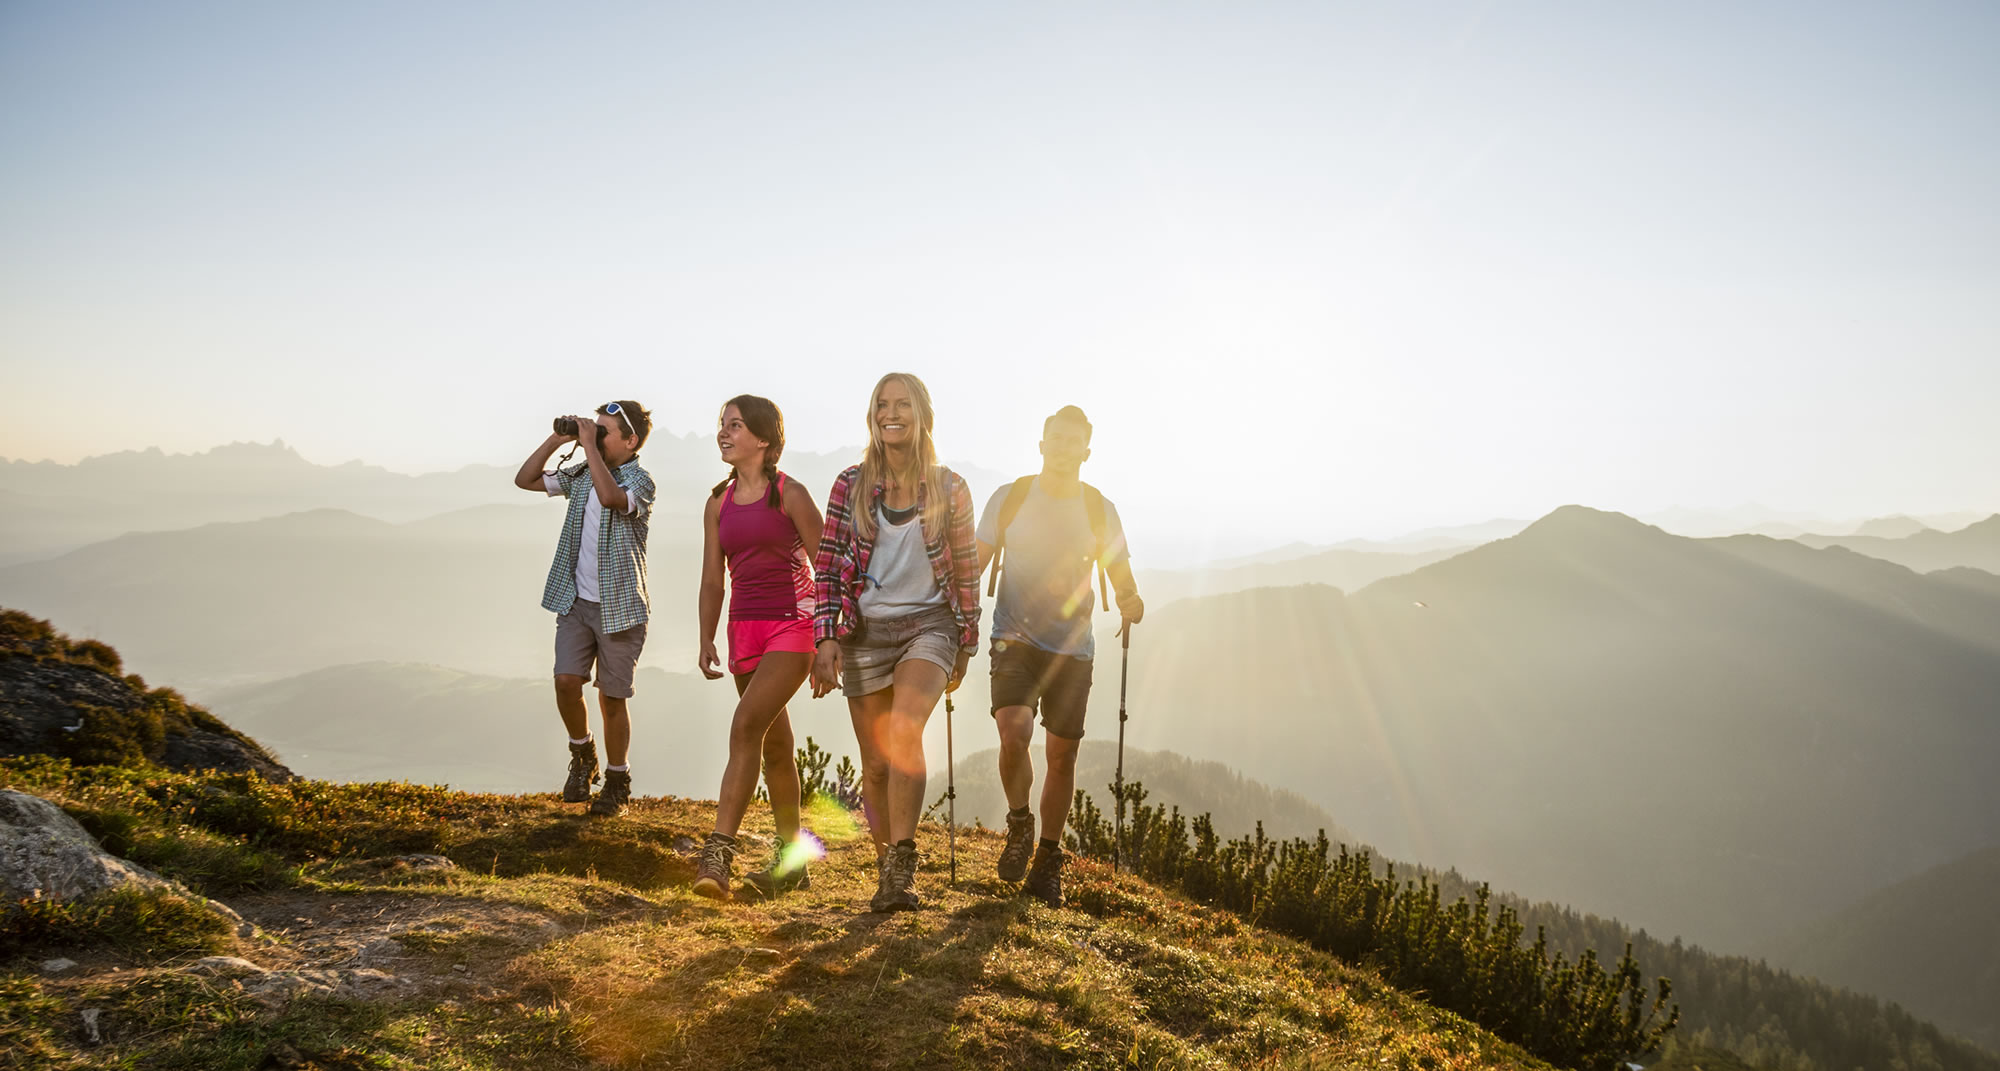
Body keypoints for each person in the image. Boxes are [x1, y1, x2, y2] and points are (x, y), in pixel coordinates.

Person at [809, 372, 980, 912]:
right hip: (864, 633)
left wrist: (966, 642)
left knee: (905, 730)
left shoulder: (950, 488)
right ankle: (887, 872)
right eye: (882, 404)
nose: (891, 413)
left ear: (922, 414)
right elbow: (829, 568)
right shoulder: (850, 485)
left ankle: (903, 866)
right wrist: (827, 637)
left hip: (930, 625)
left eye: (902, 404)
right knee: (877, 763)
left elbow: (968, 569)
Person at [976, 405, 1142, 907]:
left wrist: (1131, 599)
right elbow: (973, 564)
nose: (1064, 448)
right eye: (1057, 439)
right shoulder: (1010, 499)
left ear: (1086, 451)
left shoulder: (1099, 508)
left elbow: (1120, 572)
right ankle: (1020, 822)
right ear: (1042, 444)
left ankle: (1047, 861)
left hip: (1073, 649)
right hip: (1013, 639)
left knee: (1062, 756)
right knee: (1014, 733)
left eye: (1074, 441)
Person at [692, 395, 825, 900]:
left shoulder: (791, 494)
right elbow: (712, 579)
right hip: (743, 630)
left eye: (735, 426)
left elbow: (825, 568)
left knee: (746, 724)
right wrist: (706, 635)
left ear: (764, 439)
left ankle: (717, 855)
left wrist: (829, 639)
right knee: (774, 745)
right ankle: (792, 863)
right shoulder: (717, 504)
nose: (723, 433)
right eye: (721, 425)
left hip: (793, 626)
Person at [512, 401, 657, 817]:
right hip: (576, 601)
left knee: (612, 698)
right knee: (565, 681)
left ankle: (617, 781)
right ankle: (582, 753)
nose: (595, 436)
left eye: (605, 432)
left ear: (629, 441)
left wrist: (588, 445)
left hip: (620, 608)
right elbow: (525, 480)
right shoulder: (579, 475)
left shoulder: (640, 480)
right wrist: (560, 438)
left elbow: (612, 498)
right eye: (595, 429)